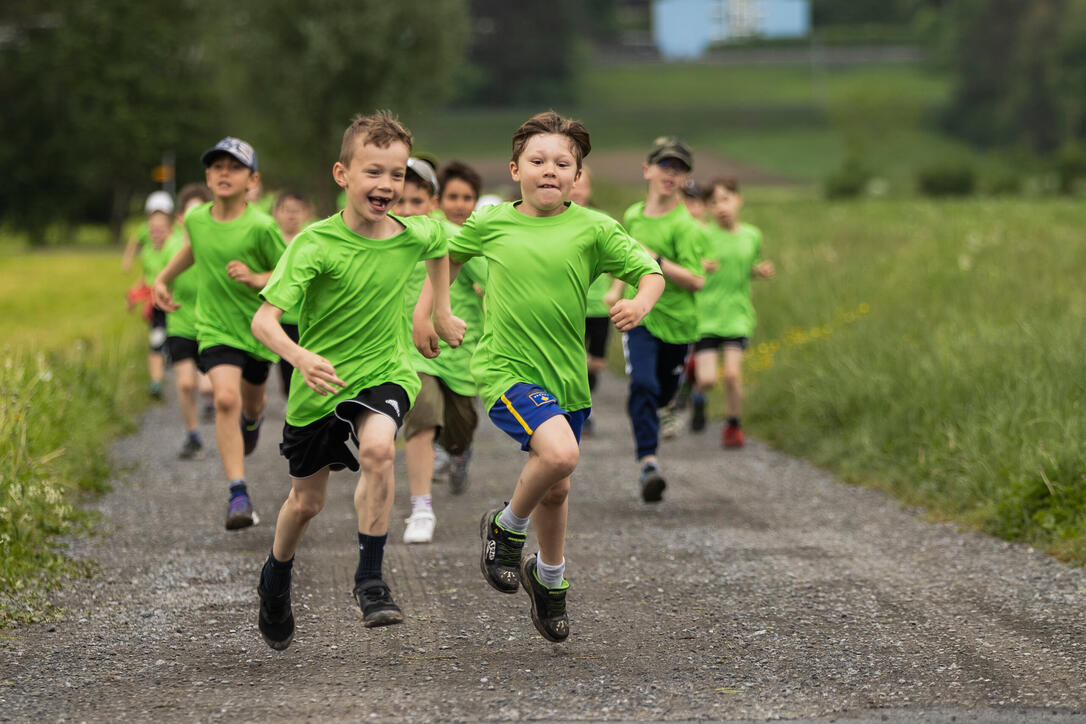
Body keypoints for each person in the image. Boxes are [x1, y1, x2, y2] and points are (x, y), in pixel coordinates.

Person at [414, 110, 664, 642]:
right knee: (560, 455)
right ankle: (505, 528)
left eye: (562, 163)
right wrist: (431, 314)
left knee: (557, 486)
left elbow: (649, 271)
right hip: (505, 369)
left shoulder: (595, 228)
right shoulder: (490, 222)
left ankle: (549, 579)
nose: (549, 170)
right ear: (515, 169)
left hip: (566, 378)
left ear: (577, 177)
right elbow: (445, 259)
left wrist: (641, 301)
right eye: (537, 160)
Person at [250, 111, 463, 649]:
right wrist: (299, 357)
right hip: (319, 381)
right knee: (306, 504)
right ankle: (275, 579)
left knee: (378, 451)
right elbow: (263, 322)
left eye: (396, 175)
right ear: (342, 174)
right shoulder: (315, 244)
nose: (386, 185)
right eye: (374, 172)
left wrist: (435, 312)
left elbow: (443, 246)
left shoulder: (414, 233)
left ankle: (370, 581)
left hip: (385, 370)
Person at [153, 136, 285, 530]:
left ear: (252, 179)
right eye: (217, 167)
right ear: (208, 178)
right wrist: (163, 278)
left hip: (258, 330)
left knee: (251, 405)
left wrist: (254, 277)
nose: (224, 173)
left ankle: (252, 420)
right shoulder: (196, 219)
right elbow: (194, 249)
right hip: (213, 327)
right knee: (224, 398)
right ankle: (238, 493)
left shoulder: (262, 226)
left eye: (235, 167)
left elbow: (288, 275)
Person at [394, 158, 487, 545]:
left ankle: (459, 454)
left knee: (460, 428)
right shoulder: (381, 238)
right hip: (409, 354)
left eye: (416, 202)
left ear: (431, 203)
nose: (406, 211)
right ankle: (421, 507)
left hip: (459, 353)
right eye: (399, 201)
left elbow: (495, 282)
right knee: (423, 419)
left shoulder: (453, 236)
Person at [620, 136, 706, 503]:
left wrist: (656, 259)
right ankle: (648, 463)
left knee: (662, 393)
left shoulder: (686, 226)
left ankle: (670, 404)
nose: (670, 174)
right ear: (647, 170)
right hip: (639, 313)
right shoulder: (632, 216)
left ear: (686, 179)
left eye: (679, 169)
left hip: (678, 322)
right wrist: (613, 292)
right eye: (664, 166)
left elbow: (696, 280)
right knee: (642, 384)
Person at [690, 177, 774, 447]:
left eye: (725, 199)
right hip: (705, 315)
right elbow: (687, 265)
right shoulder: (702, 234)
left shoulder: (752, 235)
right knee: (707, 378)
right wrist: (699, 264)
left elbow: (750, 263)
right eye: (713, 203)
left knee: (732, 375)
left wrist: (758, 271)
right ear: (707, 208)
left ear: (738, 200)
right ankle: (697, 397)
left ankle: (734, 426)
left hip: (737, 314)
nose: (721, 207)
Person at [163, 183, 215, 459]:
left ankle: (227, 410)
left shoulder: (213, 248)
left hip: (210, 325)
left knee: (207, 385)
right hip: (180, 324)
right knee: (185, 384)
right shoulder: (170, 246)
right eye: (189, 213)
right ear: (180, 217)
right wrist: (160, 295)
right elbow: (159, 280)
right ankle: (193, 435)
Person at [571, 164, 612, 436]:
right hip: (572, 306)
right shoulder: (556, 220)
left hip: (599, 305)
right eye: (573, 184)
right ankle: (581, 411)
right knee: (573, 359)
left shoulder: (602, 221)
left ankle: (585, 398)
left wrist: (616, 292)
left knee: (595, 363)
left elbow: (621, 261)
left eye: (581, 185)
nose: (576, 191)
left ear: (589, 190)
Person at [271, 190, 314, 395]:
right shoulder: (271, 238)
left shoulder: (311, 238)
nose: (291, 215)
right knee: (286, 365)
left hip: (306, 316)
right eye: (286, 210)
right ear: (277, 213)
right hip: (280, 315)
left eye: (296, 211)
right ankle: (290, 396)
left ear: (305, 213)